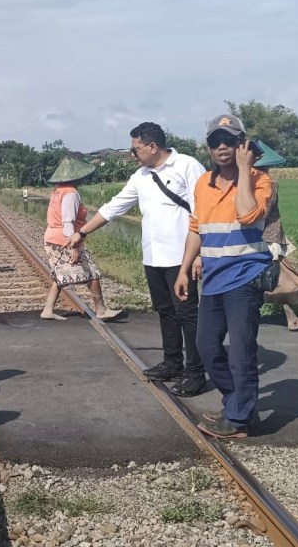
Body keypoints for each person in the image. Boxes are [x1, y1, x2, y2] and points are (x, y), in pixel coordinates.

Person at [69, 122, 206, 396]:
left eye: (136, 149)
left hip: (183, 256)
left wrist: (200, 254)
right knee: (165, 310)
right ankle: (172, 362)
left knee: (188, 315)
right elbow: (114, 206)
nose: (133, 155)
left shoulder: (188, 166)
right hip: (153, 256)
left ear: (153, 146)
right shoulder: (141, 176)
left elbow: (203, 211)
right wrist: (82, 232)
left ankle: (196, 373)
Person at [174, 114, 273, 439]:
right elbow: (196, 228)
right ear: (208, 147)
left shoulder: (260, 180)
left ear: (241, 144)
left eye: (229, 141)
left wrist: (245, 169)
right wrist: (185, 269)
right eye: (215, 141)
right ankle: (239, 405)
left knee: (242, 350)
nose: (222, 147)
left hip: (245, 277)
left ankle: (239, 419)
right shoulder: (203, 183)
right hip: (213, 278)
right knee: (206, 347)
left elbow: (247, 214)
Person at [42, 157, 123, 322]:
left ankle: (48, 309)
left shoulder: (59, 190)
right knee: (91, 272)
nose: (84, 178)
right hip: (65, 239)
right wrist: (73, 246)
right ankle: (101, 309)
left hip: (53, 236)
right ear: (75, 177)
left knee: (61, 273)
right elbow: (68, 221)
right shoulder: (71, 193)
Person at [261, 173, 298, 331]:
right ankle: (292, 319)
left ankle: (292, 318)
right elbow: (265, 212)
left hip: (260, 237)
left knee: (274, 278)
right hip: (269, 236)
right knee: (279, 278)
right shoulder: (268, 183)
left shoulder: (243, 182)